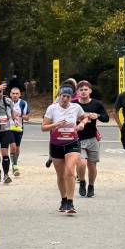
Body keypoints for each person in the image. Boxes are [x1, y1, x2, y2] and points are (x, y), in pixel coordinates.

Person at [42, 85, 89, 213]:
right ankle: (63, 200)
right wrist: (55, 124)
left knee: (70, 171)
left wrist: (82, 123)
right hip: (56, 144)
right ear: (59, 96)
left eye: (68, 97)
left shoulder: (76, 107)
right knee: (61, 175)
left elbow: (85, 117)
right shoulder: (52, 108)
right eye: (63, 96)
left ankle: (70, 202)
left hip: (72, 143)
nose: (65, 99)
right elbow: (43, 127)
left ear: (71, 97)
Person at [73, 81, 109, 197]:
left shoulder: (96, 104)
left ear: (90, 91)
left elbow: (106, 118)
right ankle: (82, 182)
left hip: (92, 138)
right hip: (78, 139)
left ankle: (91, 186)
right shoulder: (73, 104)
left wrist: (97, 116)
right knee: (81, 164)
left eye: (86, 90)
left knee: (92, 165)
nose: (84, 92)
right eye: (81, 90)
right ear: (77, 92)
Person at [0, 84, 15, 183]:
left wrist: (14, 119)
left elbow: (12, 111)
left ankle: (6, 174)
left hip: (5, 130)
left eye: (1, 91)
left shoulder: (7, 101)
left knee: (4, 152)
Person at [9, 87, 30, 176]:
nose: (15, 95)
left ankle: (14, 164)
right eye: (13, 93)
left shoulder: (23, 103)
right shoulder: (7, 102)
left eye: (17, 94)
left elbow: (27, 118)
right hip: (9, 128)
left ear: (20, 94)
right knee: (13, 147)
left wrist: (19, 115)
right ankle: (15, 166)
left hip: (19, 128)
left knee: (17, 148)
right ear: (10, 94)